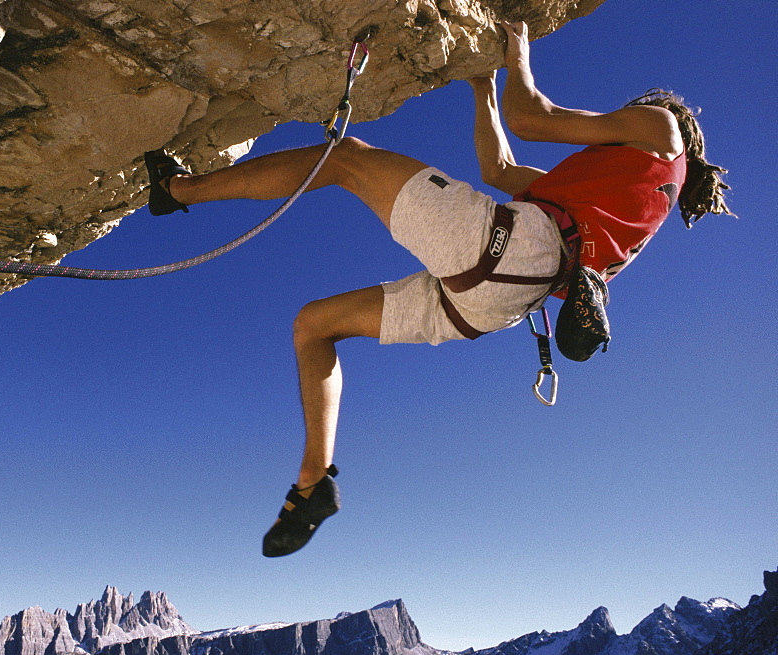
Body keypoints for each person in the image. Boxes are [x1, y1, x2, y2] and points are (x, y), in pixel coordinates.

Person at [142, 21, 732, 557]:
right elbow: (499, 171)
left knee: (346, 158)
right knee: (313, 325)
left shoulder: (662, 125)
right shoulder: (617, 208)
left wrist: (516, 59)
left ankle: (179, 191)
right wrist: (482, 91)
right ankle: (311, 483)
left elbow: (533, 118)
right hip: (496, 304)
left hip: (510, 250)